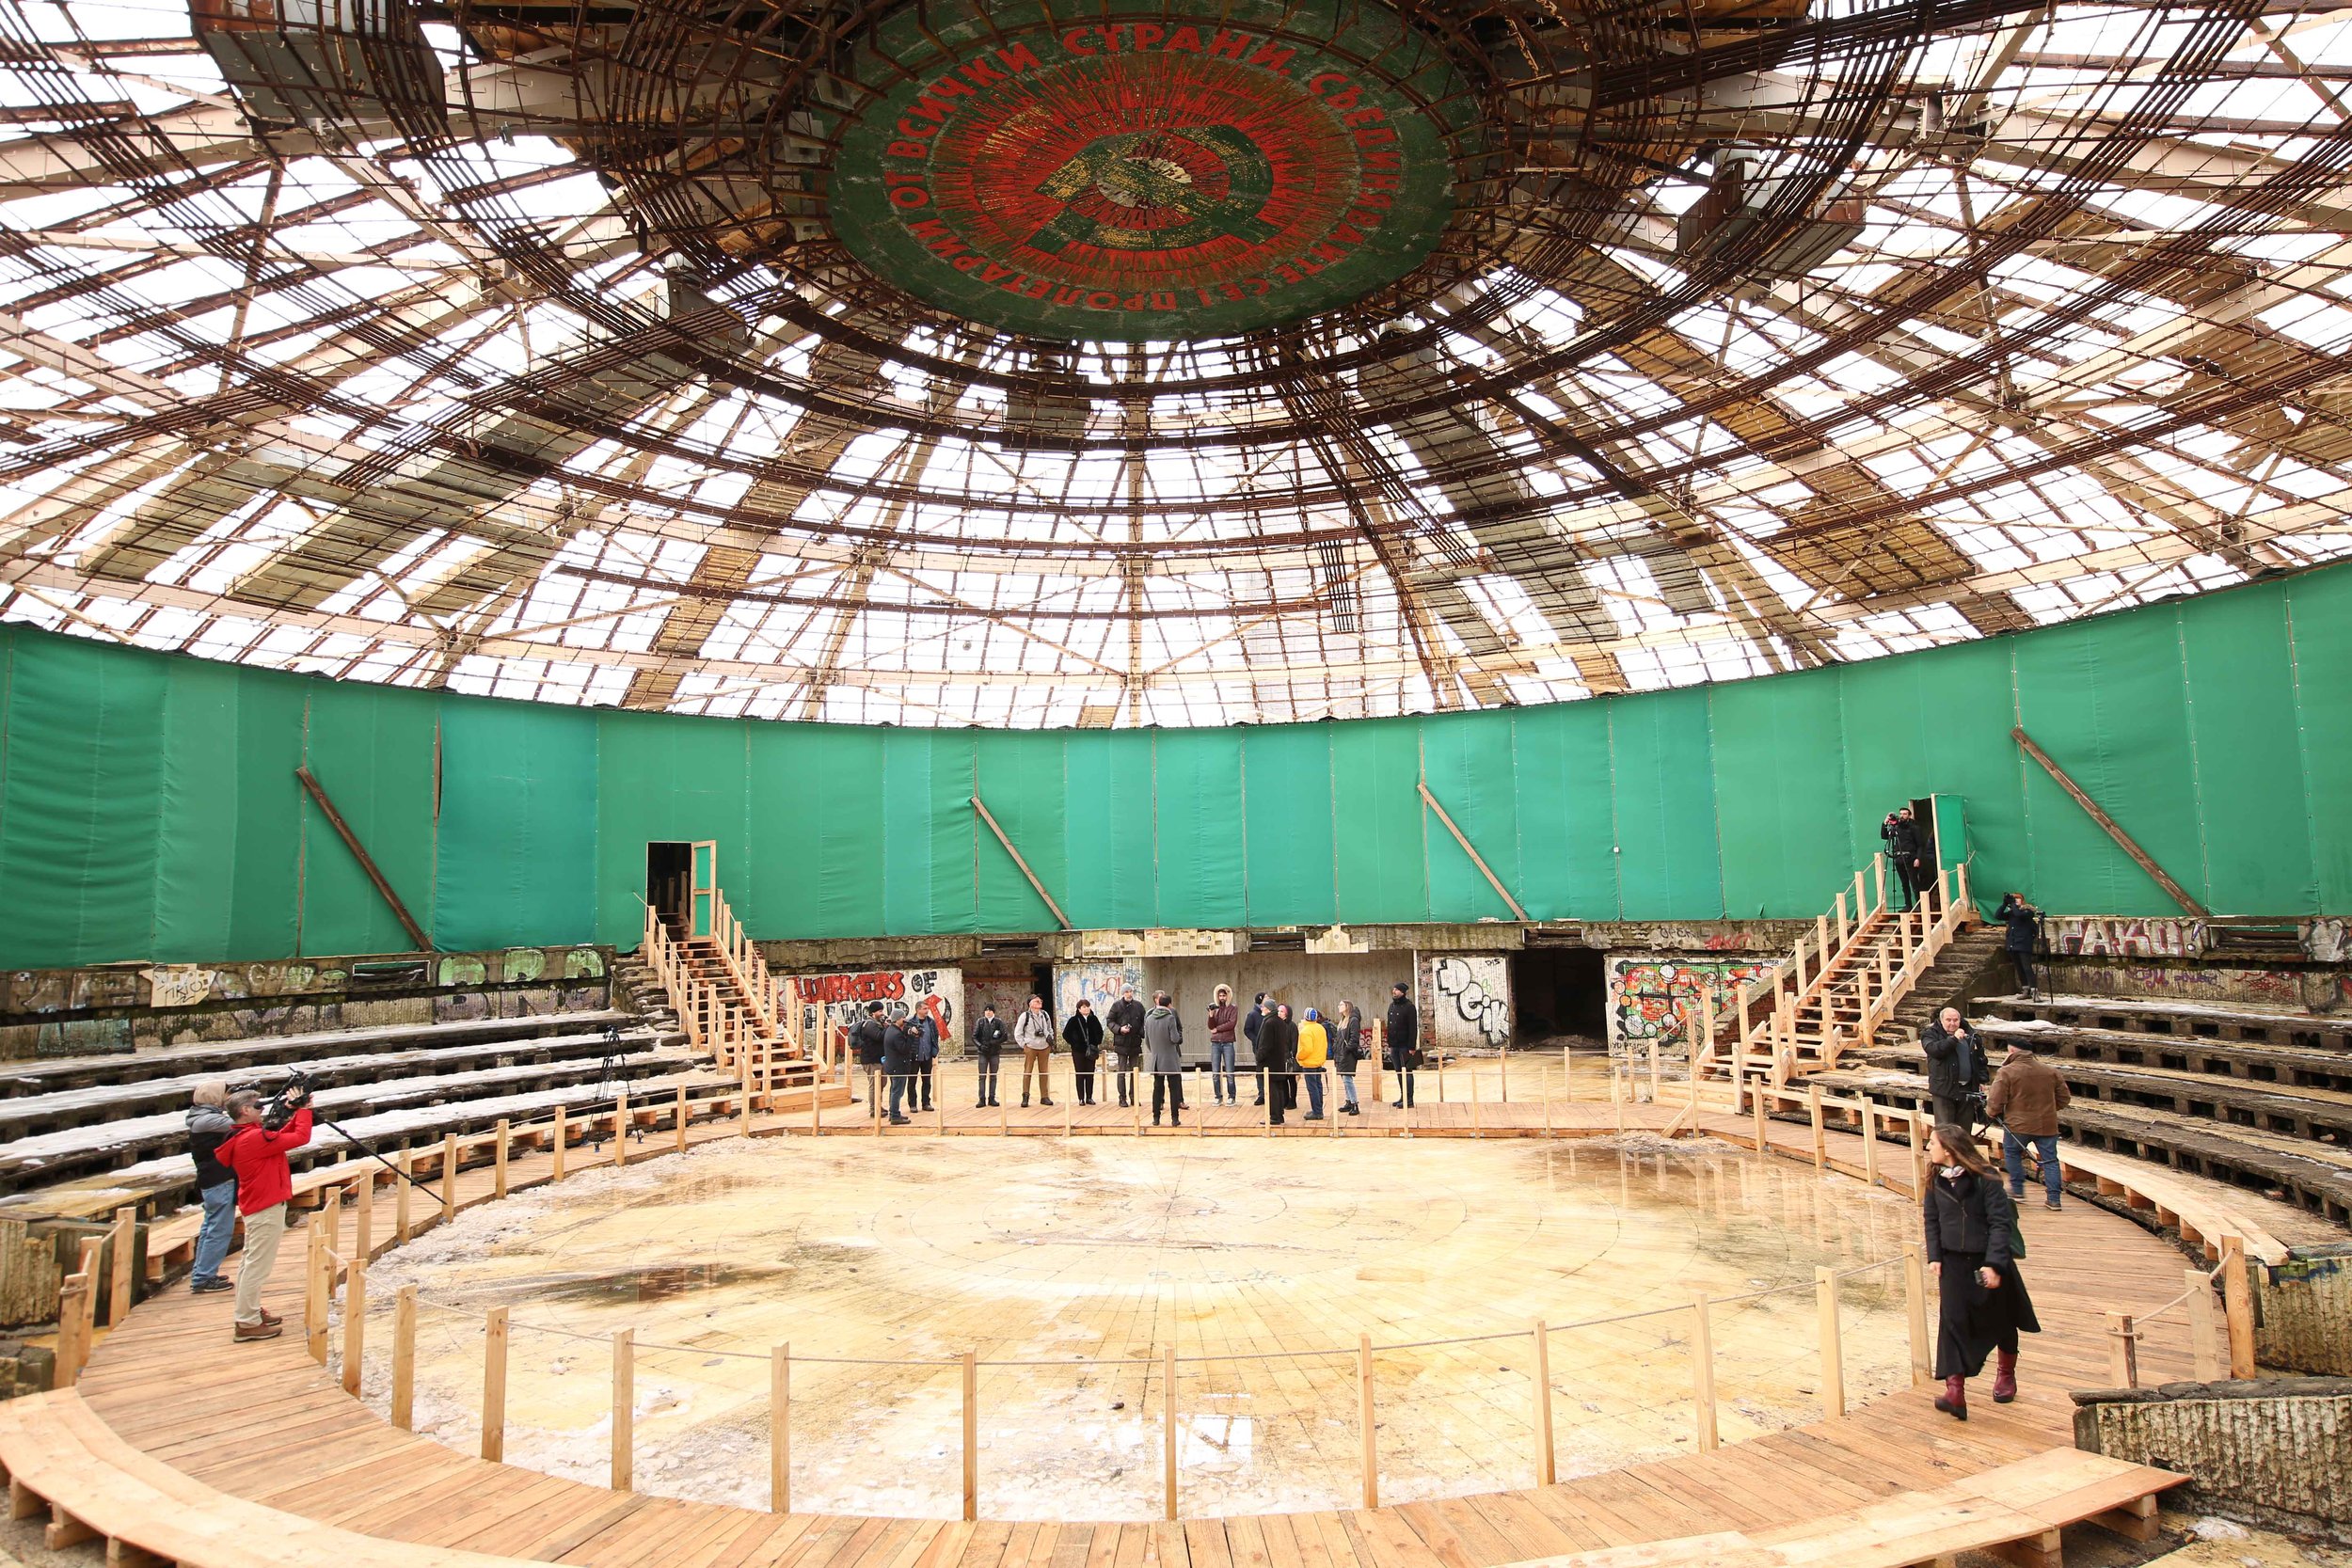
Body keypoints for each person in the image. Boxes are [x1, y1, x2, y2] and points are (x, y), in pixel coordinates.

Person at [1923, 1123, 2040, 1418]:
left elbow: (2000, 1224)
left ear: (1949, 1149)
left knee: (2003, 1320)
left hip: (1987, 1259)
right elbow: (1931, 1220)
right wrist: (1935, 1256)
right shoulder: (1934, 1178)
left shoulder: (1987, 1179)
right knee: (1952, 1324)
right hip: (1952, 1263)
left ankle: (2005, 1374)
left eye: (1932, 1143)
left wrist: (1995, 1264)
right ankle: (1955, 1392)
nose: (1928, 1148)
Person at [219, 1083, 311, 1341]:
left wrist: (294, 1112)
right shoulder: (252, 1138)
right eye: (258, 1106)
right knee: (258, 1266)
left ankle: (249, 1311)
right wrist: (304, 1110)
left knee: (251, 1262)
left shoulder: (248, 1135)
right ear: (246, 1110)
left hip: (259, 1204)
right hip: (265, 1206)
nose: (263, 1110)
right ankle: (247, 1322)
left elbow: (281, 1135)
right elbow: (300, 1138)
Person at [1987, 1043, 2071, 1211]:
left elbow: (1996, 1100)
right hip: (2046, 1125)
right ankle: (2054, 1199)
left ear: (2011, 1051)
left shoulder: (2007, 1071)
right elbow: (2064, 1098)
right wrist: (2049, 1110)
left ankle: (2018, 1191)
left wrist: (1991, 1112)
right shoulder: (2050, 1071)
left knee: (2012, 1154)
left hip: (2017, 1125)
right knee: (2051, 1161)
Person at [185, 1082, 237, 1294]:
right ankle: (205, 1277)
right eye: (225, 1093)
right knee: (219, 1230)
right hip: (219, 1180)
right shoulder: (211, 1120)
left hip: (211, 1180)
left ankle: (202, 1273)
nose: (228, 1097)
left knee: (210, 1227)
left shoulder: (200, 1117)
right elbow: (243, 1124)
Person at [1920, 1005, 1989, 1130]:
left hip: (1966, 1090)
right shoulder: (1930, 1034)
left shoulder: (1970, 1034)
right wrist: (1954, 1039)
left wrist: (1982, 1079)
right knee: (1945, 1131)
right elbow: (1935, 1050)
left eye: (1956, 1020)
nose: (1952, 1023)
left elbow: (1980, 1058)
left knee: (1964, 1131)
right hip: (1944, 1090)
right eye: (1948, 1020)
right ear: (1941, 1021)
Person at [1145, 990, 1186, 1126]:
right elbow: (1174, 1038)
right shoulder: (1170, 1018)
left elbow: (1147, 1042)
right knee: (1174, 1089)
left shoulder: (1149, 1018)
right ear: (1169, 1005)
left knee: (1157, 1089)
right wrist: (1179, 1038)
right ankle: (1175, 1119)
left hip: (1156, 1059)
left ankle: (1156, 1118)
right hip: (1170, 1059)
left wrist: (1156, 1051)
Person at [1995, 892, 2044, 998]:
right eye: (2014, 899)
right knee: (2019, 968)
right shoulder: (2012, 913)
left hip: (2024, 943)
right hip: (2013, 943)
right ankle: (2025, 989)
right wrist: (2004, 904)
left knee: (2027, 967)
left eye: (2018, 899)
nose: (2015, 901)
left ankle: (2034, 990)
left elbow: (2019, 915)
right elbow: (1998, 916)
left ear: (2022, 901)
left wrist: (2012, 904)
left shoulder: (2028, 912)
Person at [1257, 1001, 1297, 1126]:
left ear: (1268, 1009)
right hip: (1279, 1060)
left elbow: (1266, 1044)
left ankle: (1274, 1116)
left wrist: (1259, 1056)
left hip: (1270, 1062)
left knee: (1272, 1090)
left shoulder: (1269, 1022)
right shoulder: (1280, 1022)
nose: (1262, 1008)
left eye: (1263, 1007)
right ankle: (1279, 1115)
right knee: (1279, 1088)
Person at [1106, 987, 1146, 1109]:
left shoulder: (1138, 1006)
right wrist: (1119, 1029)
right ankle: (1122, 1098)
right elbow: (1110, 1021)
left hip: (1135, 1043)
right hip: (1121, 1043)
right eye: (1127, 992)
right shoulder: (1116, 1006)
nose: (1129, 994)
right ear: (1123, 993)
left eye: (1130, 991)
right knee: (1122, 1071)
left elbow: (1144, 1022)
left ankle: (1134, 1097)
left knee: (1135, 1072)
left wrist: (1140, 1032)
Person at [1014, 993, 1055, 1108]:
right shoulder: (1025, 1016)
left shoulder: (1045, 1015)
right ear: (1030, 1004)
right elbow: (1018, 1033)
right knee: (1028, 1072)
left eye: (1040, 1001)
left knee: (1044, 1072)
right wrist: (1024, 1045)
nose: (1039, 1002)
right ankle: (1025, 1096)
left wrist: (1049, 1040)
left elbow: (1050, 1028)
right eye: (1036, 1001)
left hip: (1044, 1047)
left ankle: (1045, 1096)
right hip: (1030, 1047)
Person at [1063, 998, 1104, 1105]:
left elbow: (1100, 1032)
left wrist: (1096, 1043)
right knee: (1080, 1074)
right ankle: (1081, 1098)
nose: (1086, 1009)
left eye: (1088, 1006)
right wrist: (1075, 1043)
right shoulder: (1074, 1020)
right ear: (1079, 1009)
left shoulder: (1094, 1019)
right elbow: (1066, 1034)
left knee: (1090, 1074)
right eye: (1084, 1007)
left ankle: (1089, 1097)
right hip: (1078, 1051)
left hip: (1091, 1050)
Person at [1883, 807, 1924, 911]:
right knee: (1904, 883)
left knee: (1914, 882)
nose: (1902, 816)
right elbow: (1884, 836)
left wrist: (1918, 858)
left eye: (1905, 814)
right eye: (1901, 814)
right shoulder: (1896, 828)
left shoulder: (1914, 828)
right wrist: (1885, 823)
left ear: (1909, 815)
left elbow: (1920, 845)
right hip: (1899, 858)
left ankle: (1919, 905)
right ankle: (1908, 905)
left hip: (1911, 857)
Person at [849, 1002, 889, 1109]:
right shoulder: (869, 1024)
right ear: (873, 1013)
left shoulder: (877, 1024)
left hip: (879, 1059)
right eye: (880, 1011)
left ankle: (878, 1106)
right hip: (871, 1060)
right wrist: (887, 1028)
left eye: (882, 1011)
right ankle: (874, 1108)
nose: (882, 1013)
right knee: (875, 1085)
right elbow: (879, 1037)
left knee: (881, 1084)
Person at [1386, 983, 1420, 1108]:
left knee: (1408, 1072)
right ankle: (1402, 1096)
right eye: (1393, 989)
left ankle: (1409, 1099)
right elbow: (1390, 1026)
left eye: (1397, 990)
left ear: (1403, 992)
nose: (1394, 992)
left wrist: (1412, 1047)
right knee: (1399, 1072)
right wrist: (1389, 1043)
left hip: (1405, 1046)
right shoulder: (1392, 1006)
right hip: (1394, 1045)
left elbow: (1413, 1028)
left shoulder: (1409, 1007)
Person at [882, 1012, 919, 1124]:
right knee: (897, 1092)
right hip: (898, 1067)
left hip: (893, 1066)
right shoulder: (896, 1034)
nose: (904, 1019)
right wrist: (912, 1036)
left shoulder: (891, 1030)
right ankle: (894, 1116)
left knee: (894, 1090)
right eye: (903, 1018)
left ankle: (894, 1113)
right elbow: (904, 1049)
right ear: (897, 1019)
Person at [1206, 986, 1240, 1105]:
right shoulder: (1215, 1009)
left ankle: (1232, 1096)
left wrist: (1217, 1029)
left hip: (1228, 1042)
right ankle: (1218, 1096)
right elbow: (1211, 1026)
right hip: (1215, 1043)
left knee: (1229, 1072)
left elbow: (1231, 1024)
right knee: (1215, 1072)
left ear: (1228, 996)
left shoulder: (1233, 1008)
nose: (1222, 998)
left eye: (1224, 995)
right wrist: (1210, 1015)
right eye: (1220, 996)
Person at [1330, 1002, 1364, 1116]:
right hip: (1341, 1054)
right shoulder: (1343, 1020)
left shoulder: (1353, 1020)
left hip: (1348, 1054)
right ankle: (1348, 1101)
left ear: (1347, 1007)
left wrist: (1346, 1050)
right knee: (1345, 1079)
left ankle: (1355, 1103)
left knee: (1347, 1079)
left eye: (1341, 1005)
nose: (1338, 1006)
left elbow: (1354, 1038)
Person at [1295, 1007, 1330, 1120]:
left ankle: (1317, 1112)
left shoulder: (1305, 1031)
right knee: (1318, 1086)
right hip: (1319, 1062)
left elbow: (1307, 1049)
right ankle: (1319, 1109)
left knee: (1312, 1088)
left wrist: (1298, 1056)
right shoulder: (1320, 1028)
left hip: (1309, 1063)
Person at [972, 1005, 1008, 1108]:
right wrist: (980, 1046)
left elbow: (1004, 1036)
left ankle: (992, 1098)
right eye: (986, 1010)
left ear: (993, 1012)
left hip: (994, 1052)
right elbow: (974, 1036)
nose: (988, 1012)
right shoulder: (980, 1021)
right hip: (983, 1052)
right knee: (982, 1076)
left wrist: (994, 1043)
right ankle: (981, 1099)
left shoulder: (998, 1022)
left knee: (993, 1076)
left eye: (990, 1010)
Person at [909, 1008, 940, 1113]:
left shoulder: (931, 1022)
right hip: (914, 1057)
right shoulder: (910, 1022)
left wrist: (934, 1050)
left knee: (926, 1081)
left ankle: (926, 1103)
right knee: (912, 1081)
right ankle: (912, 1104)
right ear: (918, 1010)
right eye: (924, 1008)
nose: (927, 1010)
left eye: (927, 1008)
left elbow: (935, 1036)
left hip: (927, 1056)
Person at [1244, 993, 1268, 1105]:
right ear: (1260, 1000)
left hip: (1270, 1046)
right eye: (1266, 998)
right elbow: (1247, 1030)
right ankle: (1262, 1094)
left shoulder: (1269, 1013)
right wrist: (1256, 1040)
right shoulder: (1253, 1014)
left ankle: (1271, 1094)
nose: (1268, 999)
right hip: (1258, 1048)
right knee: (1260, 1070)